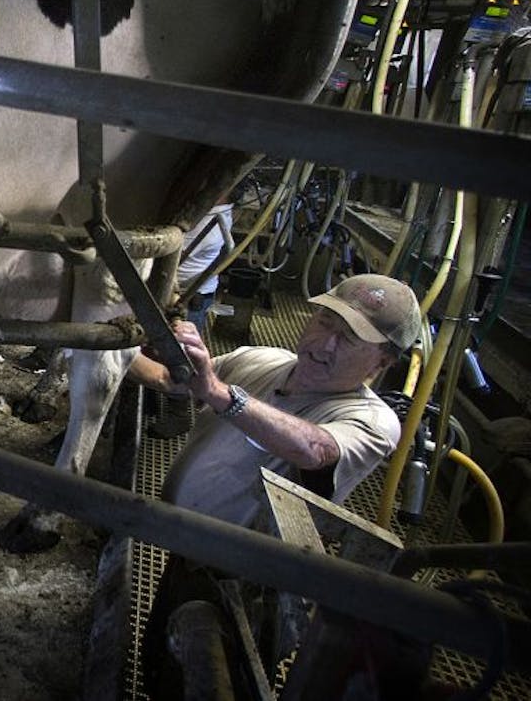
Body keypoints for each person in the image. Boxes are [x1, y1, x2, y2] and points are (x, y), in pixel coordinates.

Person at [130, 273, 420, 698]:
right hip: (187, 552)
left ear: (381, 363)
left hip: (245, 587)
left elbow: (313, 449)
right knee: (159, 665)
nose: (325, 343)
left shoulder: (373, 420)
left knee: (214, 680)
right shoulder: (260, 359)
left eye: (350, 339)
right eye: (325, 321)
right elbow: (169, 380)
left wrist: (217, 391)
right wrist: (111, 347)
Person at [176, 200, 235, 336]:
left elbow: (167, 254)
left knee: (181, 345)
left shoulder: (206, 219)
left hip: (187, 295)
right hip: (197, 290)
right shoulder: (223, 210)